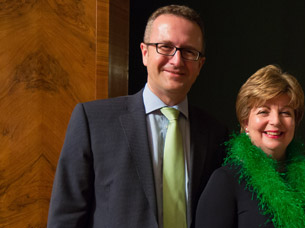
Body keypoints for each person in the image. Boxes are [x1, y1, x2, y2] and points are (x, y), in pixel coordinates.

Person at [47, 5, 228, 228]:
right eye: (165, 47)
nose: (177, 60)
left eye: (189, 52)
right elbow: (65, 216)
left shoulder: (215, 133)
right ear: (145, 52)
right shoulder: (93, 121)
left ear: (200, 64)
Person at [195, 65, 305, 228]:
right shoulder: (225, 181)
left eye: (285, 112)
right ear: (246, 121)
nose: (275, 121)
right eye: (263, 111)